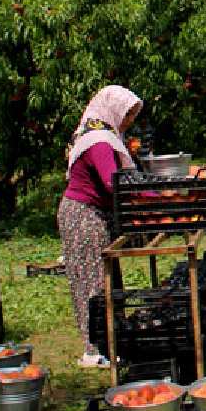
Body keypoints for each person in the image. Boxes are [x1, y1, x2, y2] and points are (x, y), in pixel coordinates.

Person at [58, 85, 143, 368]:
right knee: (91, 282)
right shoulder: (98, 141)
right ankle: (94, 349)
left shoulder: (103, 136)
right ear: (112, 109)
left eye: (132, 115)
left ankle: (112, 340)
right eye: (127, 114)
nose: (129, 121)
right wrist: (149, 196)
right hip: (83, 215)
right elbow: (112, 182)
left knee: (106, 278)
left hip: (95, 213)